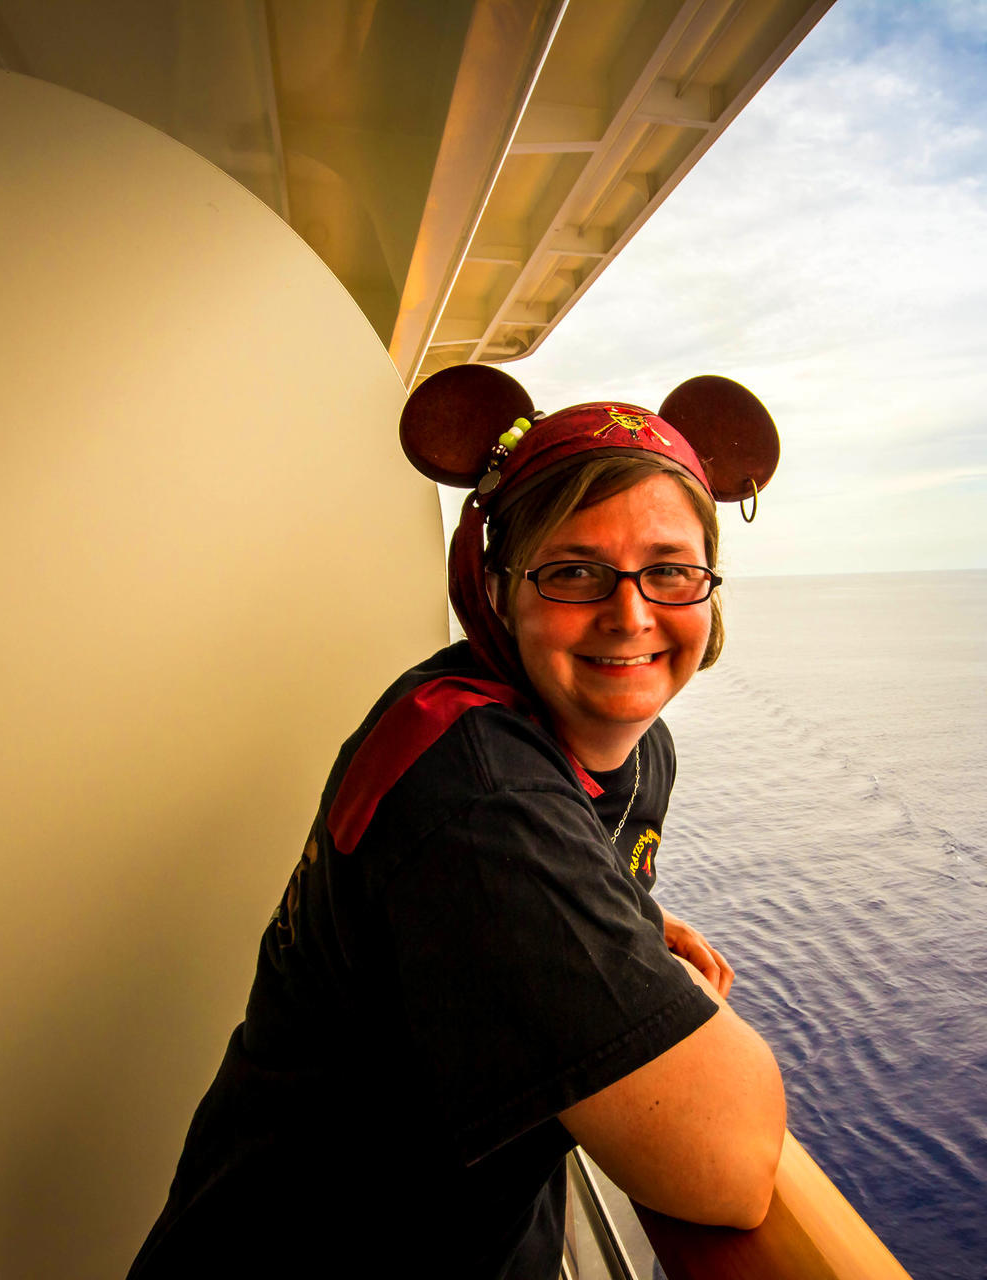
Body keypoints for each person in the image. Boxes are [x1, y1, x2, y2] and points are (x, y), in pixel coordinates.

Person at [128, 365, 787, 1277]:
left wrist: (604, 920)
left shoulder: (625, 751)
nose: (630, 614)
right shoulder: (478, 794)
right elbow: (733, 1163)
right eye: (574, 573)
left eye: (670, 570)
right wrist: (688, 1009)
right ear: (495, 591)